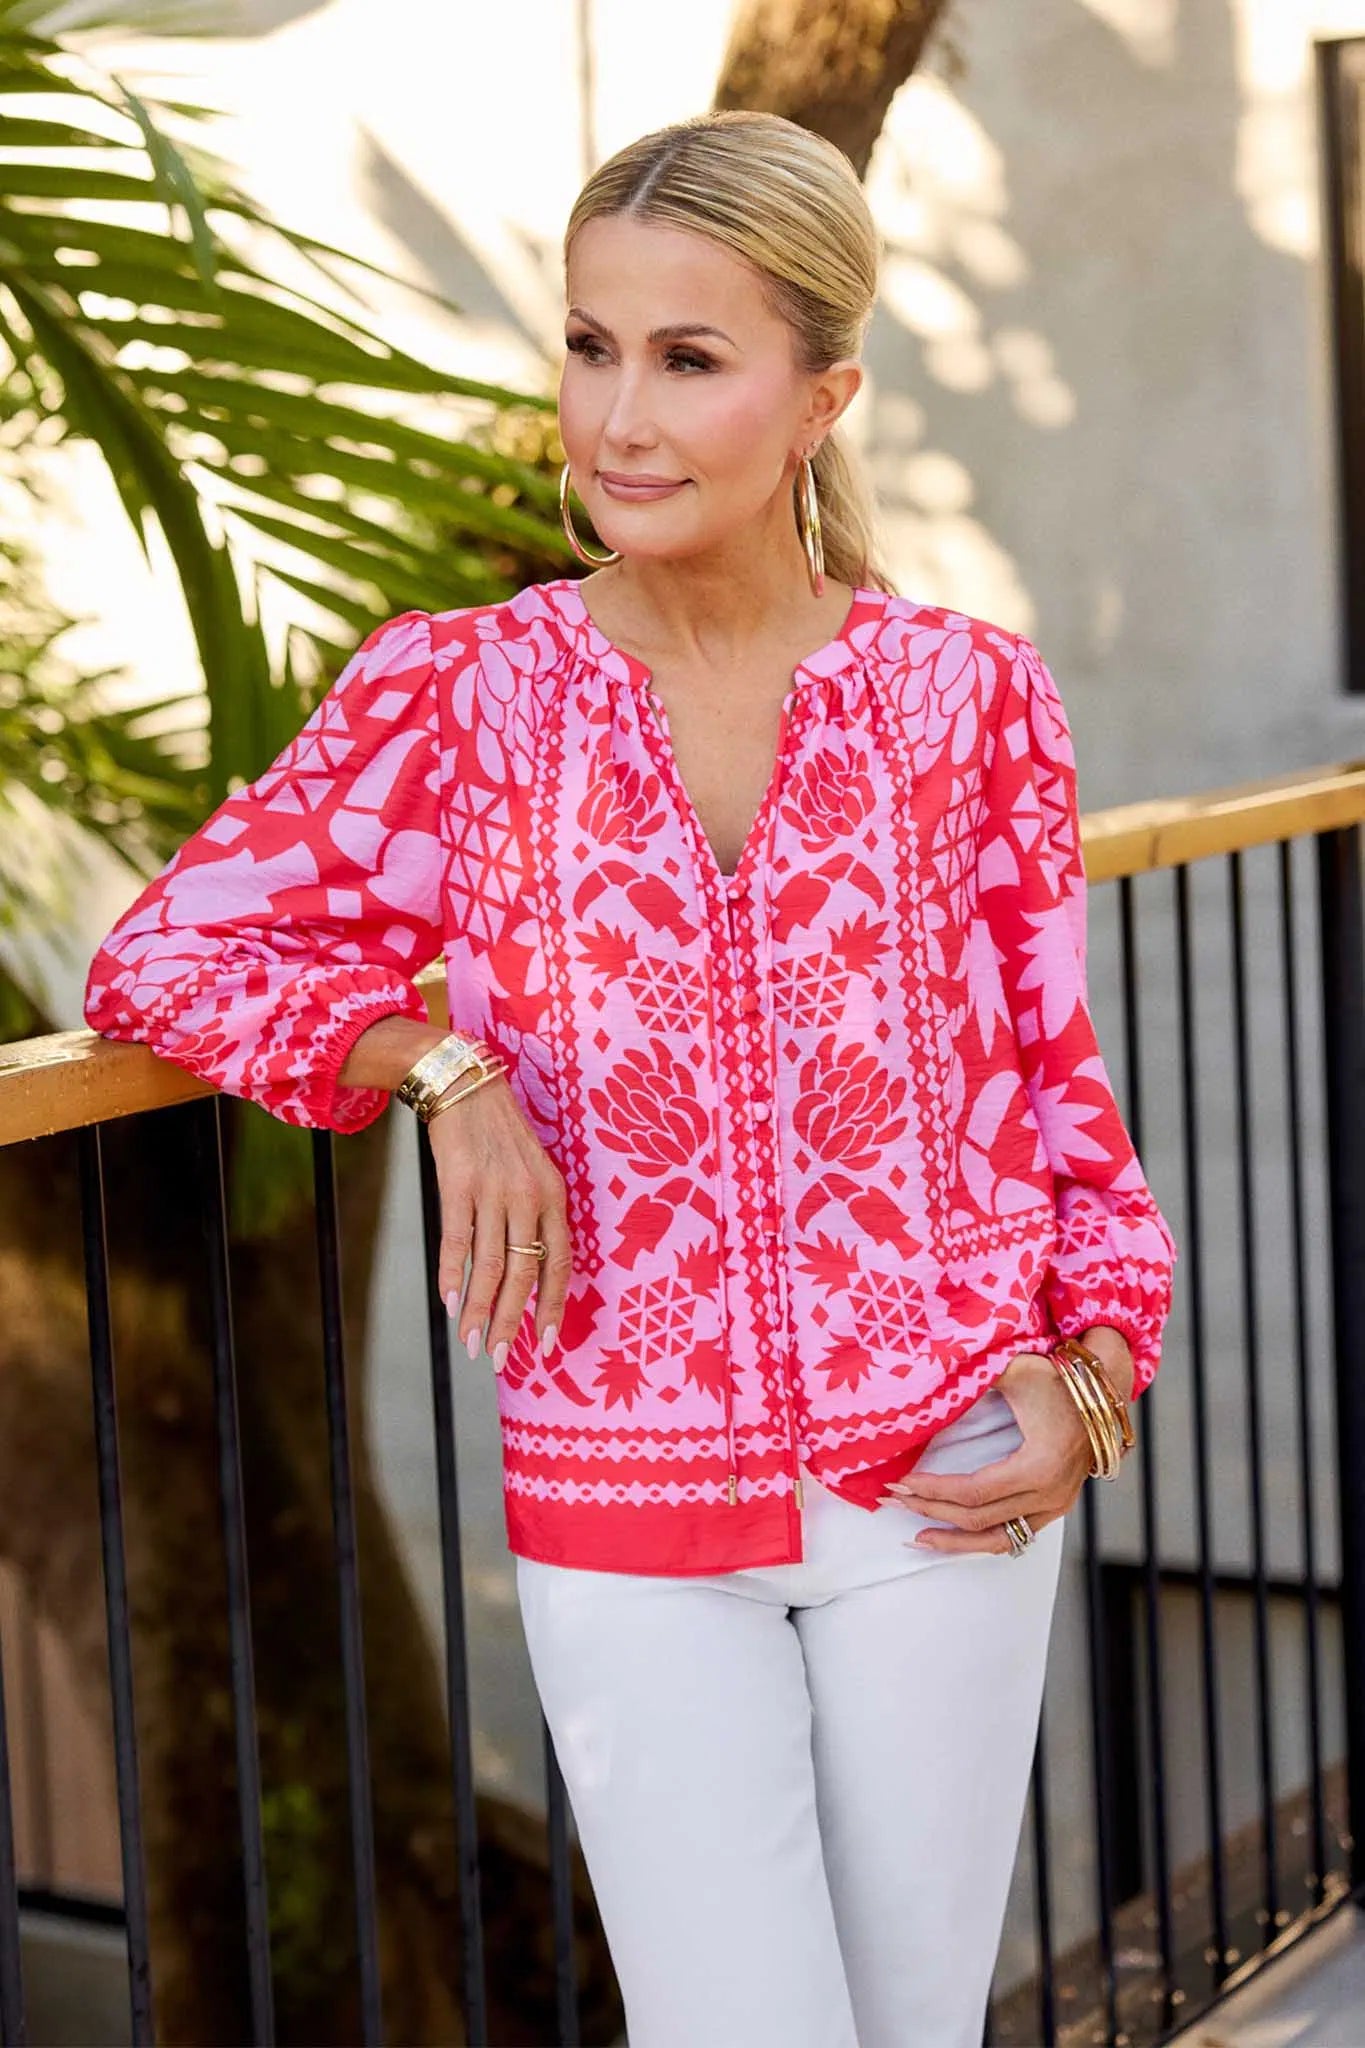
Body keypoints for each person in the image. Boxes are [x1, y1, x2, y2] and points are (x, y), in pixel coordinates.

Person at [85, 109, 1177, 2048]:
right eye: (590, 344)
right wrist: (432, 1061)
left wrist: (1094, 1368)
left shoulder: (967, 698)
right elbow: (166, 950)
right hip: (621, 1491)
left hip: (944, 1474)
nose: (618, 416)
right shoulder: (464, 696)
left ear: (822, 392)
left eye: (688, 357)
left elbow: (1045, 1082)